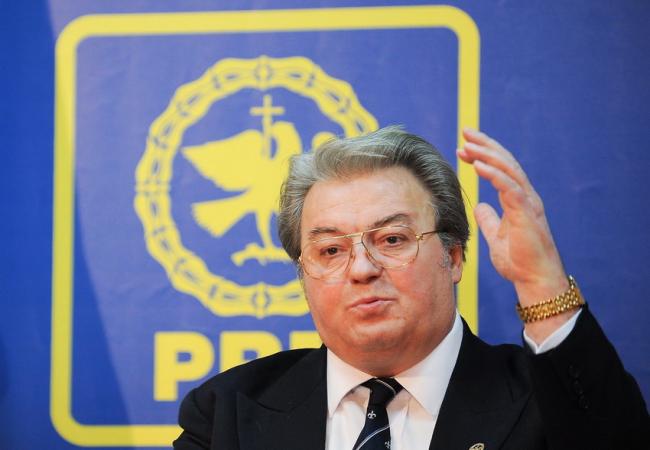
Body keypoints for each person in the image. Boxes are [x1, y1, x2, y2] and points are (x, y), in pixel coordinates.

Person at [173, 127, 648, 449]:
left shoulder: (543, 400)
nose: (362, 269)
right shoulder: (226, 415)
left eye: (392, 239)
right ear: (303, 274)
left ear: (453, 256)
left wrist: (542, 287)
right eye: (331, 250)